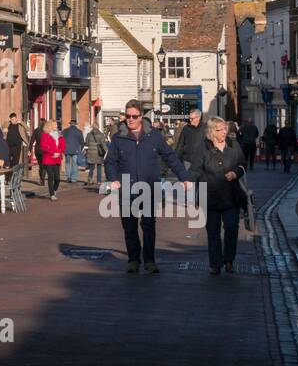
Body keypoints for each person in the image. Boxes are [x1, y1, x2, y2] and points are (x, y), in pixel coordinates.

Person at [106, 99, 191, 274]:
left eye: (134, 116)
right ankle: (133, 260)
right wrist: (113, 178)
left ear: (141, 116)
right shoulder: (118, 137)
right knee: (129, 226)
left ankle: (150, 261)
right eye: (128, 116)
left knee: (149, 225)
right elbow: (110, 162)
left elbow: (170, 157)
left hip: (149, 188)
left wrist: (184, 177)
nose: (130, 119)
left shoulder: (154, 136)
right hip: (127, 189)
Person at [193, 116, 248, 275]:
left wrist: (236, 173)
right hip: (209, 196)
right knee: (213, 232)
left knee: (231, 227)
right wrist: (189, 182)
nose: (224, 132)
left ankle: (229, 259)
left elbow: (243, 165)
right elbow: (196, 169)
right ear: (211, 132)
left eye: (225, 128)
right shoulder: (203, 147)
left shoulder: (234, 145)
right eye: (220, 130)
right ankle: (215, 264)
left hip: (231, 196)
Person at [83, 121, 108, 186]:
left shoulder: (89, 134)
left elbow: (86, 143)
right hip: (99, 153)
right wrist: (107, 151)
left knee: (91, 167)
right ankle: (99, 181)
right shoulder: (101, 134)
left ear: (92, 126)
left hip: (91, 153)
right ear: (98, 126)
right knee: (99, 167)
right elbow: (103, 144)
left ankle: (90, 179)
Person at [63, 116, 85, 183]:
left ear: (70, 124)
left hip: (66, 149)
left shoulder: (65, 131)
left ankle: (68, 177)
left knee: (67, 163)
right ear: (76, 124)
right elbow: (82, 142)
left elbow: (62, 140)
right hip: (76, 150)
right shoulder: (79, 131)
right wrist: (81, 149)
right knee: (75, 164)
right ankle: (74, 178)